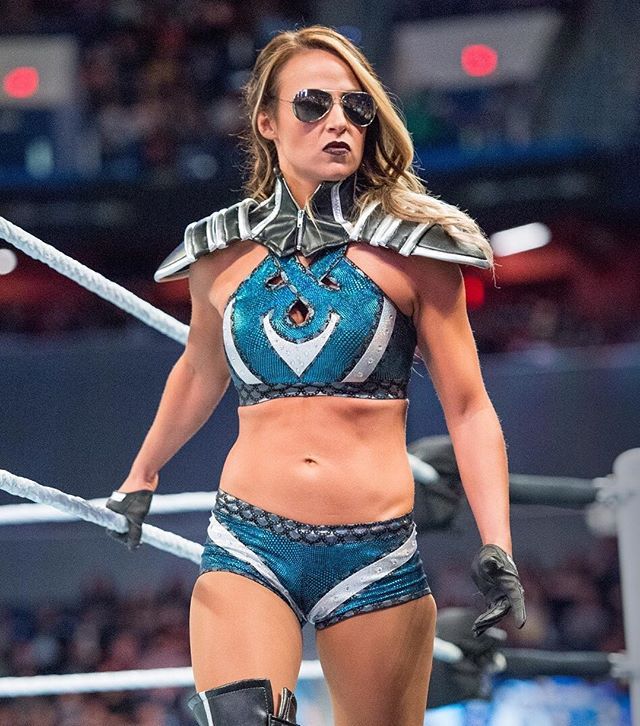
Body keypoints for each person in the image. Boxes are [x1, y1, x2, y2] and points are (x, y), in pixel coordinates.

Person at [106, 25, 526, 726]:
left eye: (355, 107)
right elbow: (200, 370)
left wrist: (497, 541)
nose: (338, 122)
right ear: (266, 122)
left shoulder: (417, 250)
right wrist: (141, 474)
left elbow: (469, 407)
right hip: (249, 539)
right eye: (312, 104)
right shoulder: (218, 252)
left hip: (375, 554)